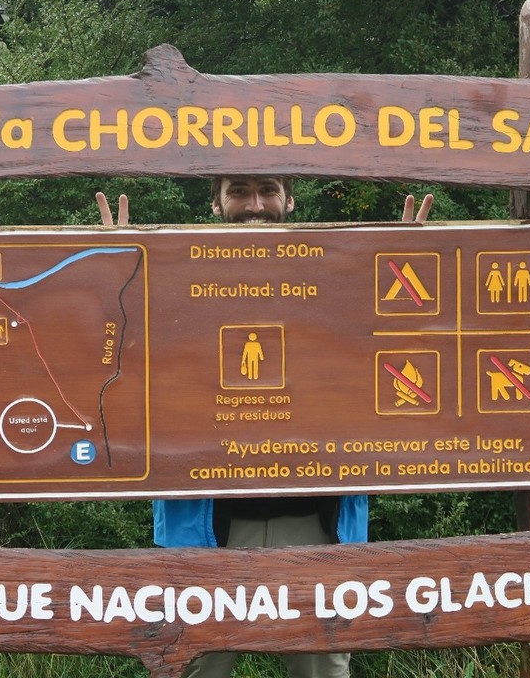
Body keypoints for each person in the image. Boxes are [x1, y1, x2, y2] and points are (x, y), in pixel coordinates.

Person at [96, 177, 432, 678]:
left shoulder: (342, 276)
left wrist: (418, 268)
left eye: (268, 190)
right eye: (239, 191)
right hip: (205, 527)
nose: (255, 204)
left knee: (322, 670)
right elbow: (117, 367)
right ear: (215, 202)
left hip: (320, 524)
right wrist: (113, 277)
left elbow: (402, 356)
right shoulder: (172, 277)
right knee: (194, 667)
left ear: (291, 199)